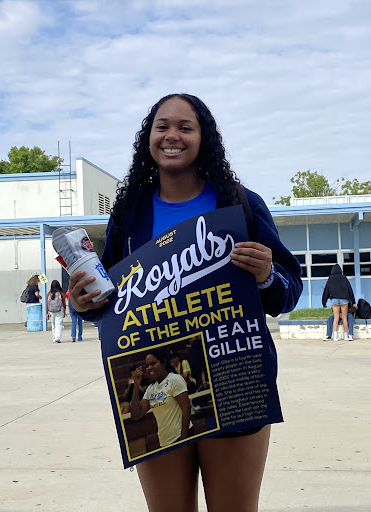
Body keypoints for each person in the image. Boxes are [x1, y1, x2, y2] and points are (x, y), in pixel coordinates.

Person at [69, 93, 303, 512]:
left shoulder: (240, 203)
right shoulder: (129, 211)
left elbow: (288, 291)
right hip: (153, 375)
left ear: (203, 137)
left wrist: (267, 275)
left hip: (234, 373)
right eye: (162, 126)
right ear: (149, 138)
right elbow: (105, 294)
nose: (172, 135)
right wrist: (83, 303)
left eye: (185, 126)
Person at [131, 350, 193, 448]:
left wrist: (183, 440)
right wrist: (136, 385)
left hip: (182, 437)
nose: (149, 368)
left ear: (163, 363)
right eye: (147, 366)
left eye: (153, 363)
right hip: (164, 443)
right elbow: (136, 415)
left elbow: (186, 409)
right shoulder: (150, 389)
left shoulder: (175, 379)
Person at [322, 264, 355, 341]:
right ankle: (346, 336)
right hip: (344, 300)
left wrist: (324, 302)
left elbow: (326, 291)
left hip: (334, 300)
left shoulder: (330, 278)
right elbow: (350, 290)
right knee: (344, 317)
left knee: (336, 318)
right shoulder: (344, 278)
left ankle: (335, 337)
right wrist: (353, 301)